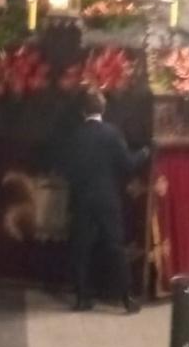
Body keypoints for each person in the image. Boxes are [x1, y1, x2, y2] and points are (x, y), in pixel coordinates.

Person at [57, 90, 147, 314]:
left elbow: (66, 169)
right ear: (103, 109)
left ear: (82, 111)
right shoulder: (112, 133)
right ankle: (126, 298)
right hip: (107, 199)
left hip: (82, 200)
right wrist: (145, 152)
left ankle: (82, 298)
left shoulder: (74, 135)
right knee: (115, 247)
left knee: (81, 249)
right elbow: (127, 164)